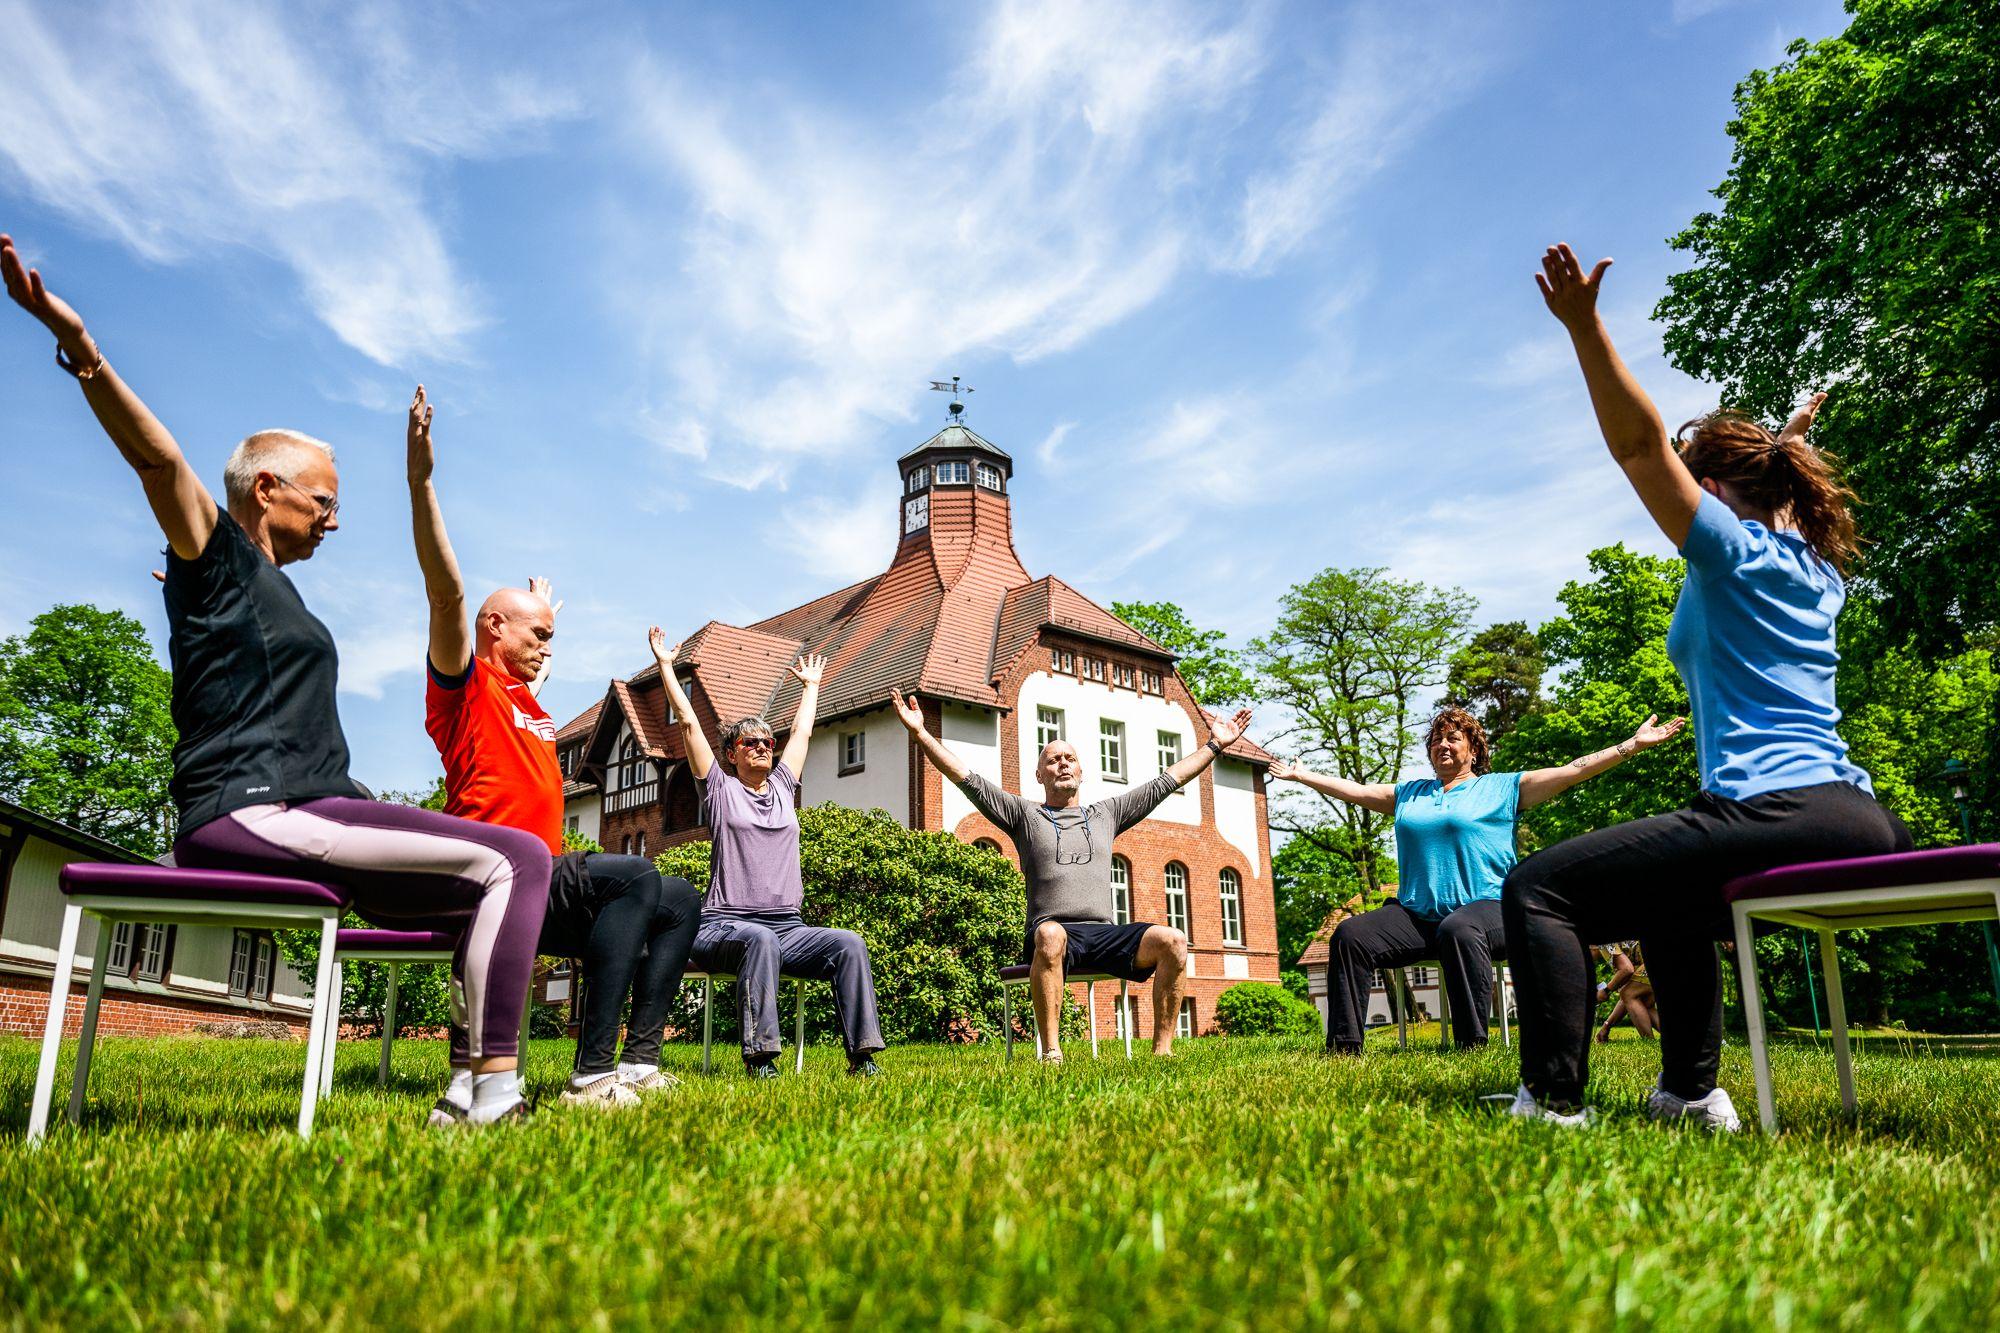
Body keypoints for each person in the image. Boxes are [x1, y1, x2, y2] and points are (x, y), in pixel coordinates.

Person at [1, 235, 549, 1126]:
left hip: (315, 806)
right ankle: (493, 1090)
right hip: (253, 813)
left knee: (476, 888)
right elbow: (159, 465)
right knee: (516, 857)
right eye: (325, 500)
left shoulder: (263, 593)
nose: (335, 518)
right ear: (268, 487)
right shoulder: (215, 554)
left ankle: (460, 1088)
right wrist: (85, 354)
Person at [1502, 243, 1913, 1130]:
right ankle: (1692, 1093)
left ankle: (1555, 1101)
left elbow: (1637, 445)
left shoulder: (1728, 551)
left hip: (1776, 805)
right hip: (1857, 812)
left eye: (1698, 477)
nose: (1682, 489)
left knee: (1539, 886)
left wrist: (1585, 327)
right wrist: (1788, 439)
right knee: (1667, 897)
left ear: (1717, 491)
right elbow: (1781, 493)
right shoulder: (1814, 567)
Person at [406, 388, 701, 1119]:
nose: (546, 647)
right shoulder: (464, 689)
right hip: (493, 873)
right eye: (535, 634)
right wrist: (421, 484)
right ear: (493, 626)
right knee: (634, 873)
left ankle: (637, 1060)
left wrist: (542, 611)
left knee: (679, 899)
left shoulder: (528, 701)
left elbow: (533, 667)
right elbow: (447, 595)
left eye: (550, 639)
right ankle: (589, 1073)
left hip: (542, 881)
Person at [1271, 705, 1684, 1054]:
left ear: (1473, 750)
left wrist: (1630, 745)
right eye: (1437, 739)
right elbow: (1355, 789)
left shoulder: (1501, 789)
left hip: (1492, 912)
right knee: (1350, 935)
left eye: (1453, 738)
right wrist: (1304, 776)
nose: (1443, 745)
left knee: (1460, 928)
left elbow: (1572, 771)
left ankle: (1472, 1046)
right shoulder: (1409, 795)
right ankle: (1344, 1048)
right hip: (1419, 916)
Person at [893, 689, 1255, 1062]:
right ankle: (1052, 1052)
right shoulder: (1023, 815)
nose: (1063, 764)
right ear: (1039, 774)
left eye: (1070, 758)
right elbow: (965, 777)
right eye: (1053, 760)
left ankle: (1162, 1052)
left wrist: (1214, 745)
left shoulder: (1107, 813)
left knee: (1174, 940)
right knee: (1050, 934)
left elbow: (1167, 781)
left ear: (1081, 771)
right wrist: (921, 733)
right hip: (1053, 932)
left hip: (1103, 932)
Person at [649, 629, 886, 1077]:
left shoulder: (781, 787)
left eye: (767, 743)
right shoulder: (719, 789)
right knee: (757, 941)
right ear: (731, 754)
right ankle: (761, 1060)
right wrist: (666, 666)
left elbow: (801, 731)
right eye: (750, 743)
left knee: (849, 943)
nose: (762, 747)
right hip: (724, 926)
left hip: (787, 929)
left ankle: (863, 1057)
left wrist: (812, 687)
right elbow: (687, 724)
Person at [1593, 942, 1658, 1043]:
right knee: (1645, 1004)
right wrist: (1606, 1025)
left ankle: (1649, 1042)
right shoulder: (1620, 953)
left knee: (1629, 994)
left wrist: (1606, 991)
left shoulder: (1603, 944)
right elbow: (1626, 999)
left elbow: (1627, 969)